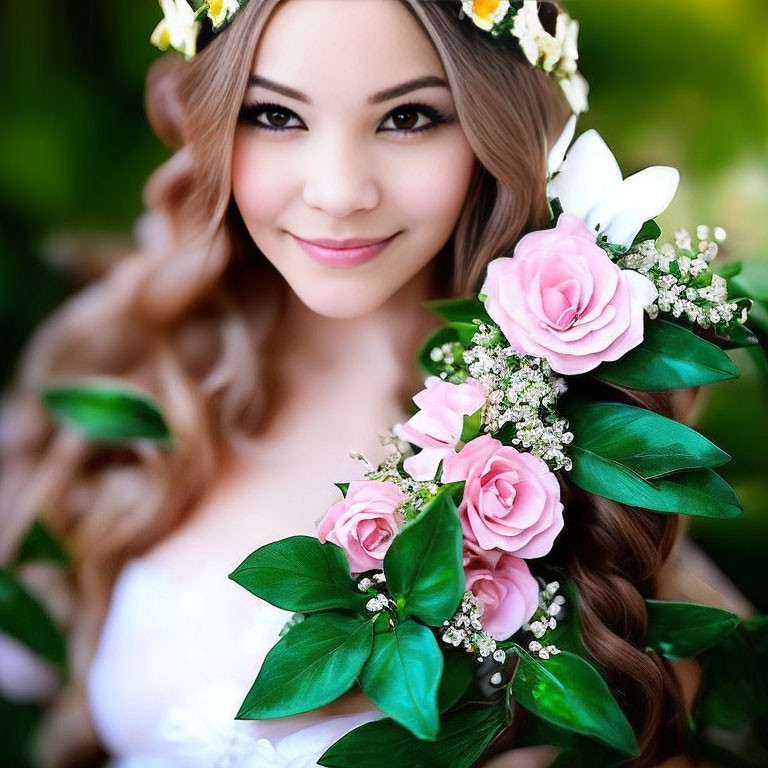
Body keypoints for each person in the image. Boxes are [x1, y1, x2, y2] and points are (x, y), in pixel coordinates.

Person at [0, 1, 754, 766]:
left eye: (408, 117)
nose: (338, 191)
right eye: (274, 114)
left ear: (499, 125)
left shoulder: (575, 444)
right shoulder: (136, 382)